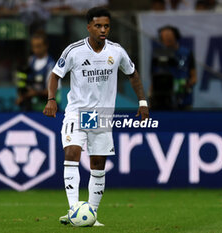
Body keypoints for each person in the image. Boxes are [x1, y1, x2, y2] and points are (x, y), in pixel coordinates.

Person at [43, 7, 149, 226]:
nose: (103, 30)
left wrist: (142, 102)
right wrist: (51, 99)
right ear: (88, 27)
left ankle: (91, 214)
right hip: (77, 112)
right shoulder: (74, 51)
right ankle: (74, 210)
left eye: (107, 26)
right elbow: (55, 75)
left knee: (98, 163)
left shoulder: (116, 51)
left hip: (101, 116)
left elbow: (133, 74)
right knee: (72, 153)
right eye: (98, 26)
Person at [150, 25, 196, 110]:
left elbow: (194, 77)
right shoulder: (157, 54)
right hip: (163, 100)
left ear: (176, 37)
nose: (167, 39)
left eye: (169, 37)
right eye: (164, 37)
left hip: (184, 99)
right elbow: (153, 77)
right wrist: (150, 95)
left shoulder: (187, 53)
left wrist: (188, 84)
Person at [17, 30, 56, 111]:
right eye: (33, 46)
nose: (35, 50)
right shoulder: (31, 60)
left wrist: (34, 93)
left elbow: (52, 91)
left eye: (38, 46)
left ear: (46, 46)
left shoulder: (52, 66)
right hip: (31, 108)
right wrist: (22, 96)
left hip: (47, 109)